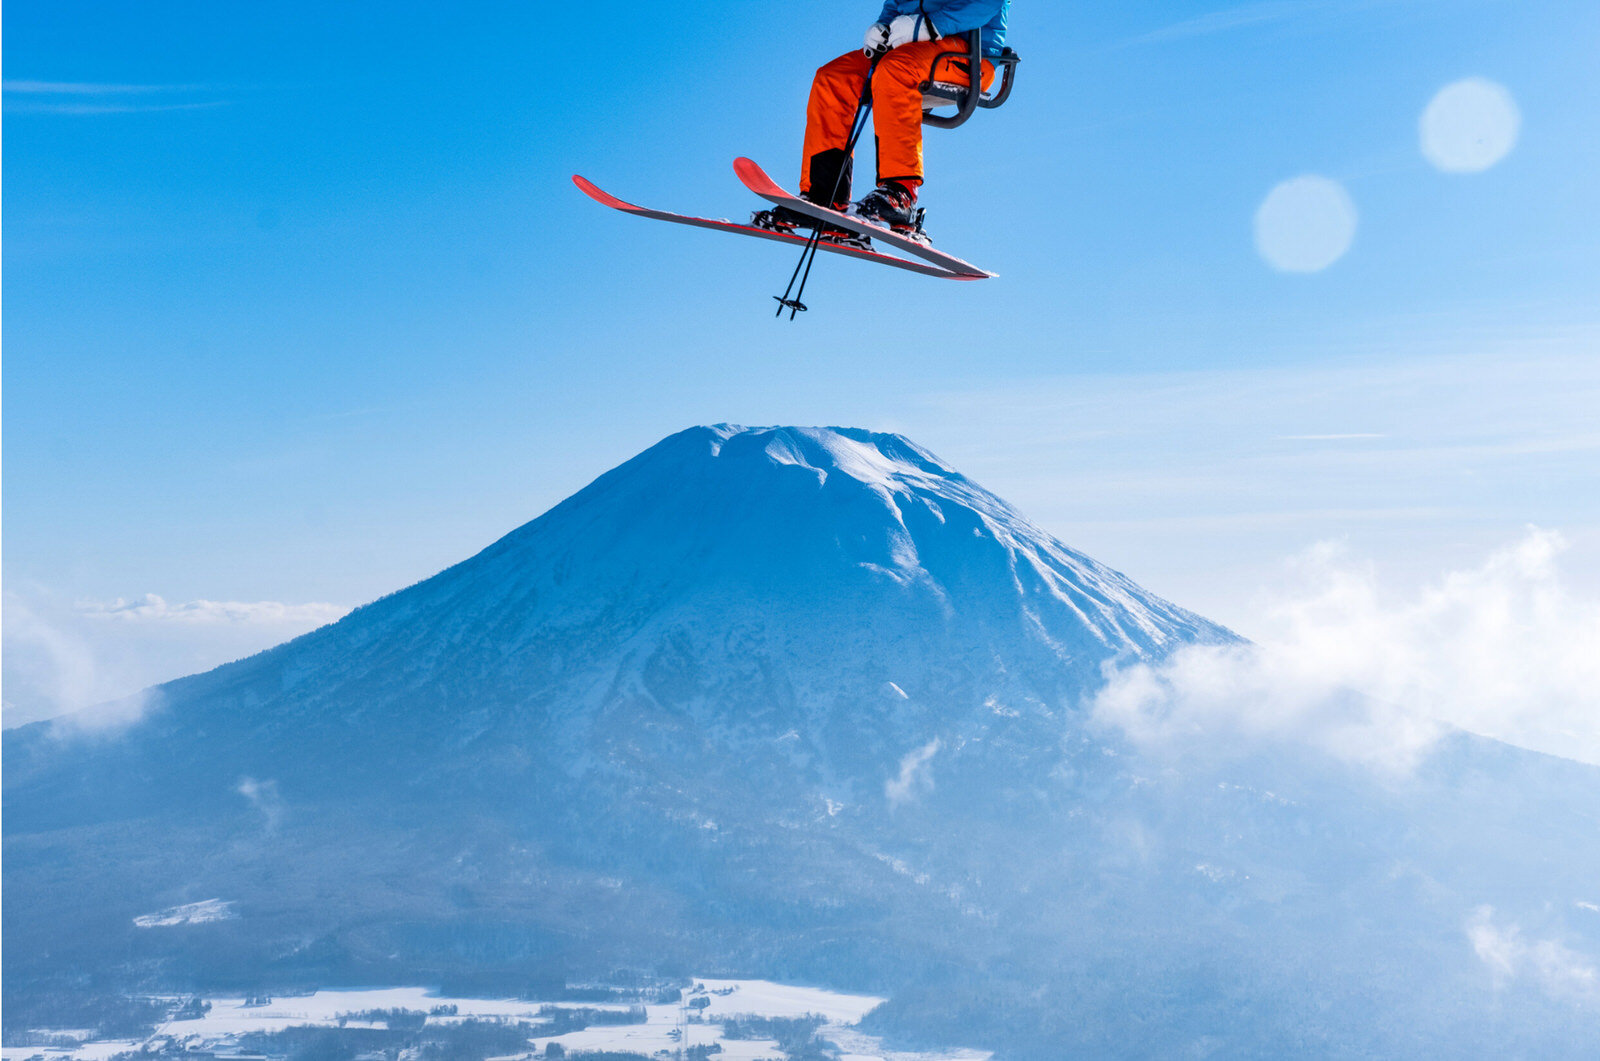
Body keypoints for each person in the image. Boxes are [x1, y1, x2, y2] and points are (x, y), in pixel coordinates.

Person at [753, 1, 1011, 246]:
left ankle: (902, 196)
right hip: (911, 46)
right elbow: (896, 4)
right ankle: (824, 198)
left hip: (968, 53)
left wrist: (932, 25)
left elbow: (988, 2)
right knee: (833, 77)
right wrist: (883, 28)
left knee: (895, 69)